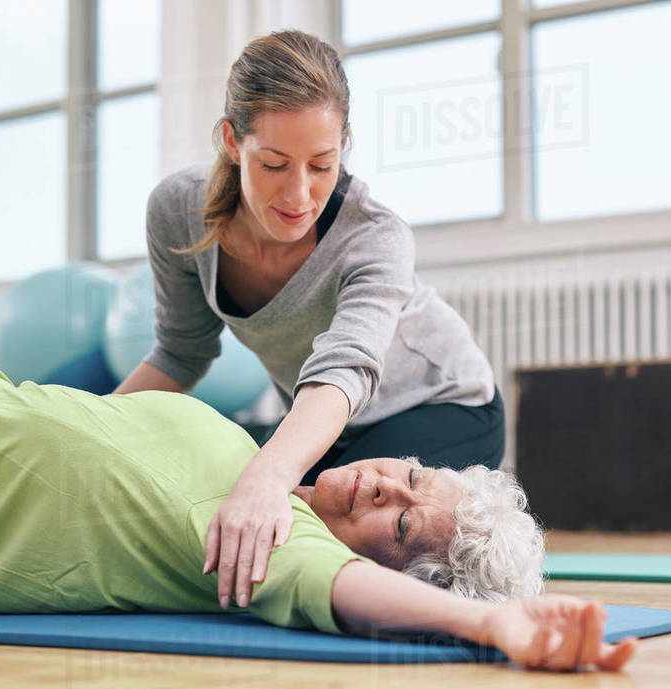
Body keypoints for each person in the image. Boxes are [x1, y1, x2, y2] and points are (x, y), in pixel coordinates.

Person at [0, 333, 637, 672]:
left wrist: (489, 622)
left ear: (401, 577)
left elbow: (344, 594)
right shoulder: (267, 467)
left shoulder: (277, 550)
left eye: (401, 523)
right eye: (410, 472)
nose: (383, 484)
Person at [111, 30, 502, 613]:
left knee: (296, 525)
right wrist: (82, 420)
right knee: (225, 503)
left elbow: (344, 370)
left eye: (322, 165)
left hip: (439, 407)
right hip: (324, 420)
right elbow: (179, 353)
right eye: (274, 164)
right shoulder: (177, 211)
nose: (299, 194)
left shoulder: (376, 237)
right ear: (230, 142)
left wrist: (267, 478)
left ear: (344, 145)